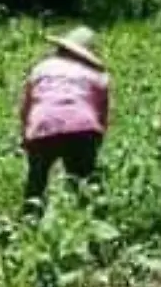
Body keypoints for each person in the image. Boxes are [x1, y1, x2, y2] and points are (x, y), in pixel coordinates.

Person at [19, 26, 110, 206]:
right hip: (84, 128)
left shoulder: (41, 68)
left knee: (36, 181)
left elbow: (27, 106)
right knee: (84, 181)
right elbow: (102, 113)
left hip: (42, 125)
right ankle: (91, 219)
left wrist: (25, 135)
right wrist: (95, 142)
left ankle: (31, 217)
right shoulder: (98, 76)